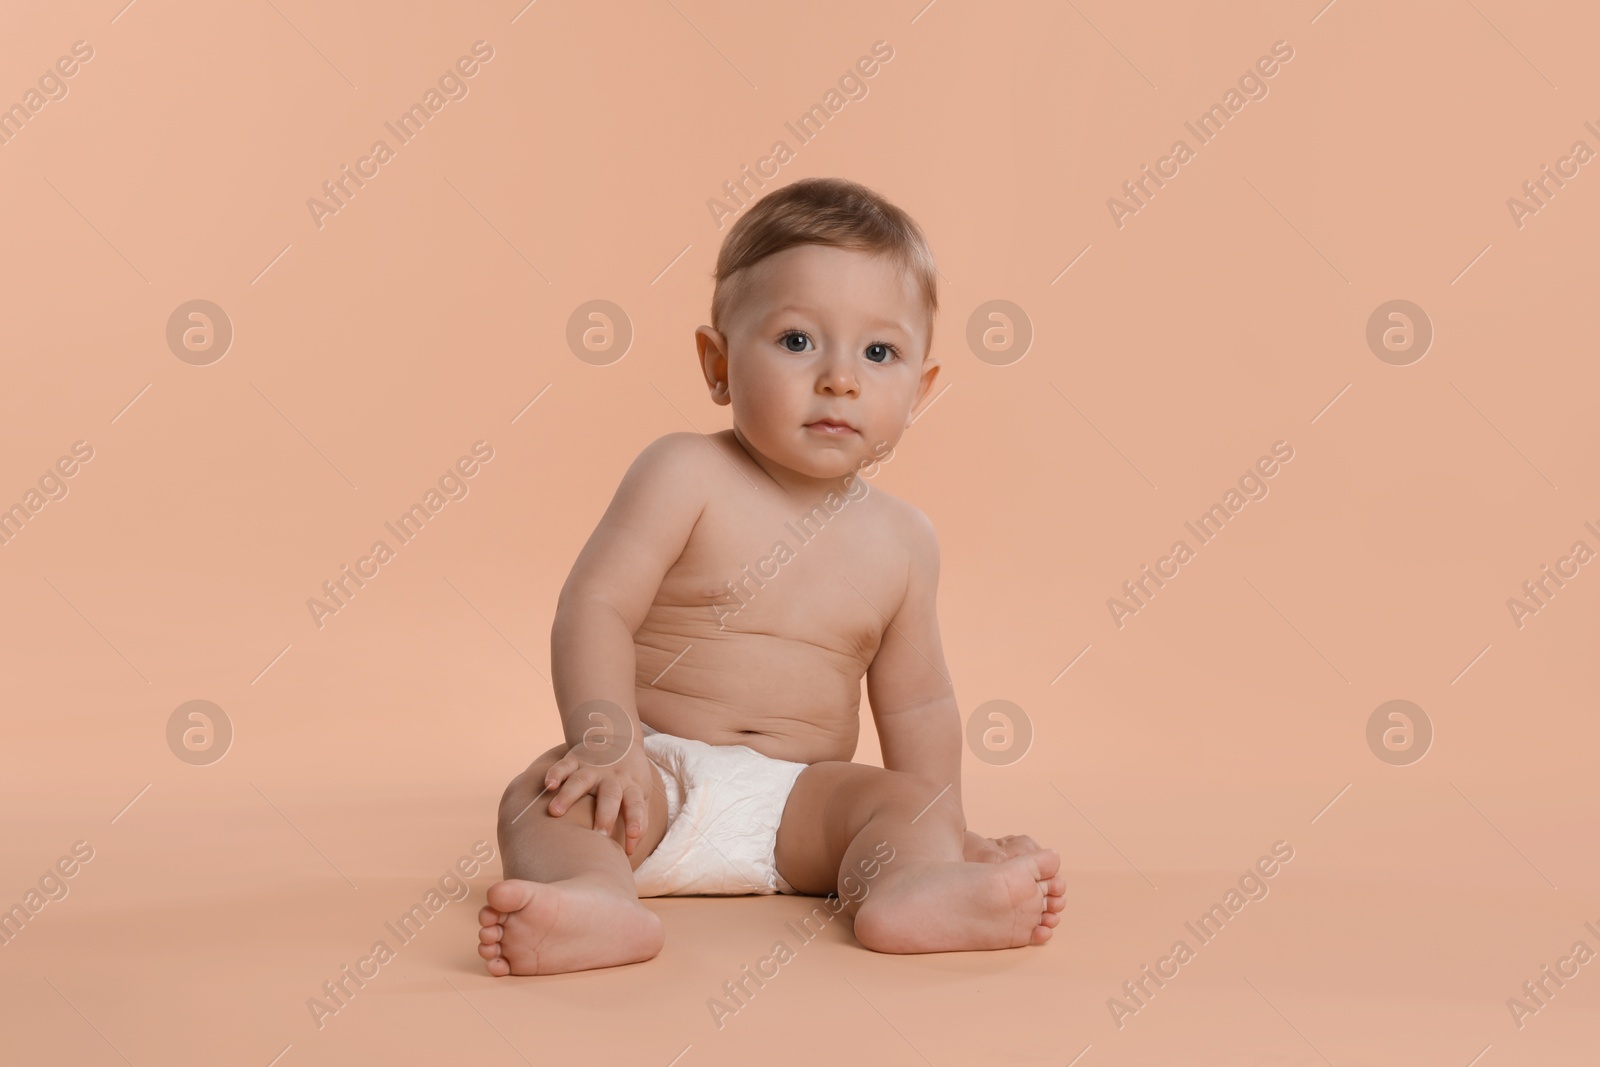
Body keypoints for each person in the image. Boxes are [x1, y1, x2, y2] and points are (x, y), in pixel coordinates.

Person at [478, 177, 1064, 975]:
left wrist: (944, 824)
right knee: (544, 794)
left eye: (879, 352)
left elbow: (920, 703)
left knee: (900, 804)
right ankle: (596, 896)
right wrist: (604, 740)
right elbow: (597, 605)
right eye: (796, 341)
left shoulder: (904, 540)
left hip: (803, 811)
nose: (839, 378)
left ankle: (913, 885)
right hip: (651, 782)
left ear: (920, 391)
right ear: (718, 365)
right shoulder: (685, 472)